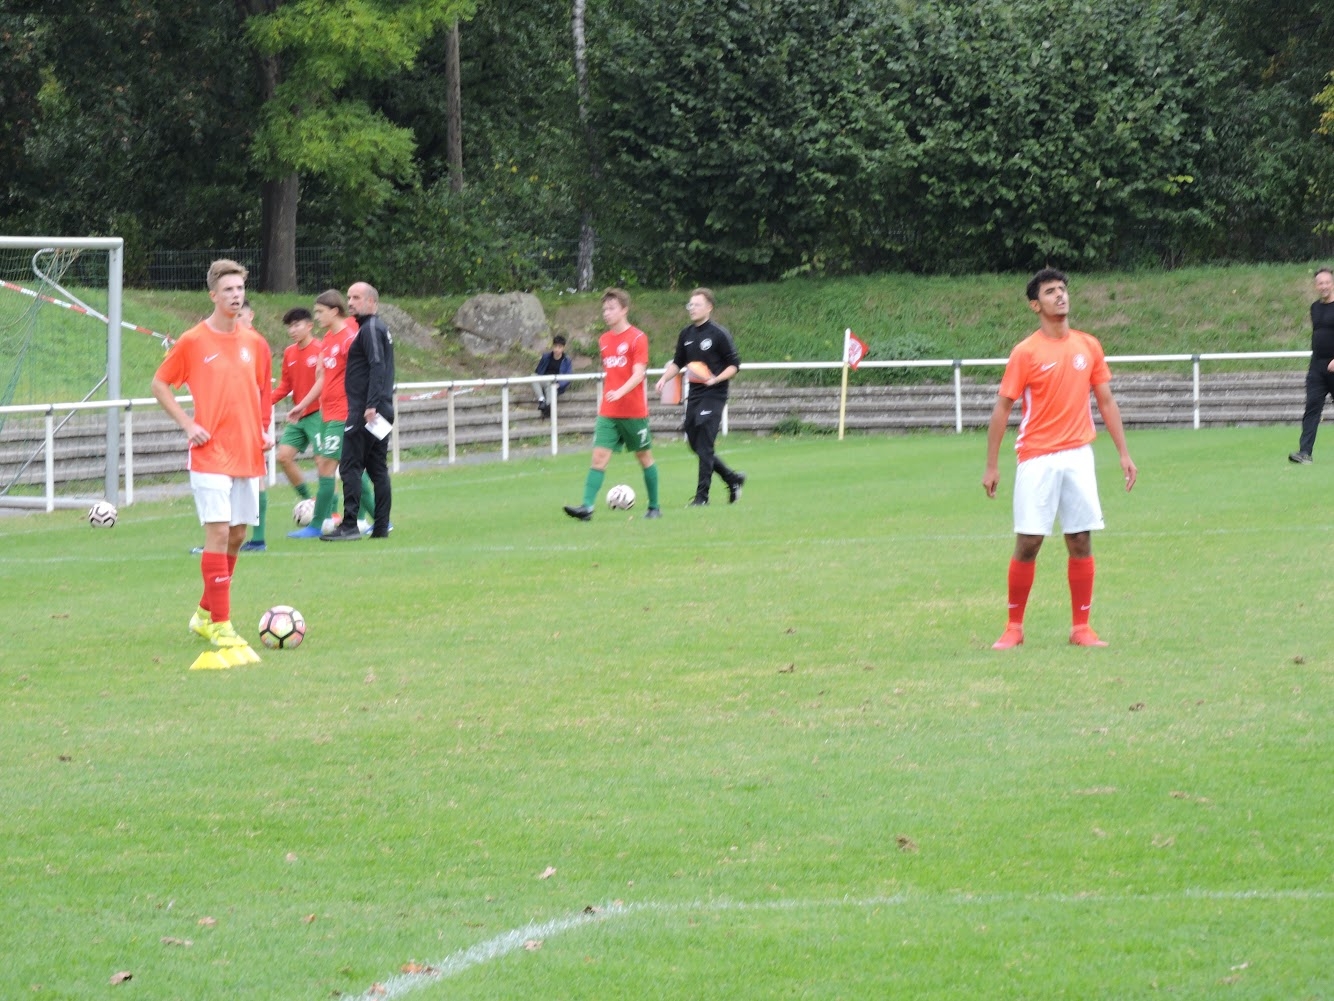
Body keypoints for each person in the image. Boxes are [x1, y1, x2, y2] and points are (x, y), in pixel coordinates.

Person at [982, 268, 1137, 650]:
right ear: (1035, 305)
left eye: (1063, 289)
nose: (1060, 296)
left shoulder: (1088, 345)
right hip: (1036, 457)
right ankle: (1014, 627)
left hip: (1078, 455)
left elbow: (1106, 401)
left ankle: (1081, 627)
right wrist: (992, 464)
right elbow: (1002, 408)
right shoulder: (1026, 352)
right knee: (1029, 541)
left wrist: (1123, 453)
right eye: (1050, 292)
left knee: (1080, 539)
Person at [151, 259, 271, 665]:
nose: (236, 295)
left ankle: (205, 613)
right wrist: (188, 423)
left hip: (247, 452)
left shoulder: (255, 342)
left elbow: (262, 391)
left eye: (240, 289)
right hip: (210, 453)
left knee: (237, 535)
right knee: (218, 532)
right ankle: (221, 623)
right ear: (213, 296)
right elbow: (159, 383)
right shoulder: (193, 341)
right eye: (229, 290)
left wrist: (265, 430)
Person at [564, 288, 662, 521]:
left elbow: (638, 374)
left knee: (644, 457)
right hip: (609, 411)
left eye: (611, 308)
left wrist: (620, 392)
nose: (606, 313)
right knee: (598, 457)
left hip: (634, 411)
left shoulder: (638, 338)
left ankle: (654, 507)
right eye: (604, 309)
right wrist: (613, 394)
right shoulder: (604, 340)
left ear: (624, 310)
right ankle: (587, 508)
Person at [287, 289, 375, 538]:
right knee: (348, 467)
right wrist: (303, 404)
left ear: (334, 311)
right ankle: (380, 519)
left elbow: (364, 375)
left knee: (328, 466)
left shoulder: (349, 339)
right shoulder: (327, 339)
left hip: (344, 413)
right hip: (328, 414)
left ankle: (317, 525)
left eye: (320, 312)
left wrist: (364, 407)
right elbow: (323, 378)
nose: (316, 317)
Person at [654, 287, 746, 506]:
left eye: (697, 305)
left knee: (705, 444)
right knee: (695, 444)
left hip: (714, 394)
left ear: (709, 307)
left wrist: (716, 379)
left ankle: (702, 497)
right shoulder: (686, 334)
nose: (692, 308)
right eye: (690, 304)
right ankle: (732, 478)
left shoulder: (719, 334)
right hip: (695, 394)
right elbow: (678, 362)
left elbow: (734, 365)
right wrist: (664, 378)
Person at [322, 281, 394, 541]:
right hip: (381, 409)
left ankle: (350, 524)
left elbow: (377, 365)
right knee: (377, 468)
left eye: (356, 298)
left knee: (350, 466)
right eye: (349, 297)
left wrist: (370, 405)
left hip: (367, 410)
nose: (350, 302)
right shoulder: (376, 328)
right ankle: (381, 527)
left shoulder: (371, 329)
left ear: (371, 302)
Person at [270, 306, 323, 512]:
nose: (292, 330)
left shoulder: (320, 349)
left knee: (323, 464)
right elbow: (285, 385)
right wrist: (263, 402)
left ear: (309, 326)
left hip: (319, 414)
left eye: (297, 325)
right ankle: (310, 501)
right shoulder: (289, 352)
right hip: (298, 416)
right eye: (290, 326)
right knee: (283, 457)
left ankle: (331, 511)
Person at [1289, 267, 1334, 463]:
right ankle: (1305, 452)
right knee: (1312, 408)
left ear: (1332, 284)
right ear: (1316, 286)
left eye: (1327, 282)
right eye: (1320, 283)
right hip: (1317, 367)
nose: (1324, 286)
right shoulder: (1314, 307)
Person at [533, 335, 573, 417]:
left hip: (556, 383)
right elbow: (538, 371)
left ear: (563, 348)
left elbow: (568, 376)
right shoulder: (546, 357)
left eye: (559, 347)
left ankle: (547, 406)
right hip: (545, 380)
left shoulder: (566, 360)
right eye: (555, 346)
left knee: (551, 386)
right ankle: (541, 400)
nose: (557, 349)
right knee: (533, 377)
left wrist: (560, 384)